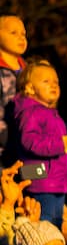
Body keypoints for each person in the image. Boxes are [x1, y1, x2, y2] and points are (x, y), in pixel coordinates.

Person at [6, 58, 67, 224]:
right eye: (46, 81)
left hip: (56, 183)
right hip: (41, 182)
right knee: (46, 227)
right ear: (30, 87)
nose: (53, 85)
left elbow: (62, 158)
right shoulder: (31, 112)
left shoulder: (50, 113)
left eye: (56, 82)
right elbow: (29, 141)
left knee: (57, 224)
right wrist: (60, 145)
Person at [0, 14, 27, 160]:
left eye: (23, 34)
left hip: (30, 150)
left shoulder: (30, 72)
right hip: (5, 150)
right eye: (13, 33)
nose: (21, 37)